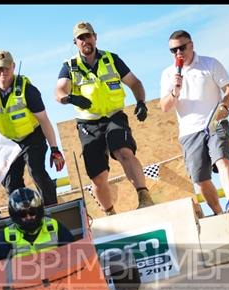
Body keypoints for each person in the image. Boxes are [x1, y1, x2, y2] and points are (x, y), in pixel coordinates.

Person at [55, 21, 154, 216]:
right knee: (98, 177)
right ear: (75, 42)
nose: (85, 40)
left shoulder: (111, 59)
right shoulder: (69, 67)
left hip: (114, 116)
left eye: (88, 36)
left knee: (125, 152)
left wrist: (141, 102)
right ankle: (110, 213)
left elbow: (135, 83)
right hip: (88, 123)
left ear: (95, 37)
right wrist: (71, 98)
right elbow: (59, 91)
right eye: (81, 38)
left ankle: (144, 197)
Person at [159, 30, 229, 216]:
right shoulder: (168, 74)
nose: (178, 53)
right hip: (189, 131)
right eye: (173, 50)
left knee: (222, 158)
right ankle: (219, 213)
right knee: (200, 178)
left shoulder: (210, 63)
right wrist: (175, 91)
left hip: (214, 121)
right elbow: (164, 107)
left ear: (191, 45)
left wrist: (224, 105)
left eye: (182, 47)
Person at [0, 50, 65, 207]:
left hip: (32, 137)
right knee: (11, 183)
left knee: (36, 171)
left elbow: (44, 120)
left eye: (6, 68)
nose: (3, 72)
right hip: (8, 142)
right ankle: (24, 215)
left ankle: (52, 209)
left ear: (13, 66)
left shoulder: (28, 91)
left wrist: (55, 149)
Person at [0, 187, 74, 261]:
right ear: (15, 216)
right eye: (23, 214)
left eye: (32, 213)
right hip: (24, 275)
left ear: (39, 211)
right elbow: (1, 268)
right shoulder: (6, 236)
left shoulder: (54, 226)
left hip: (58, 274)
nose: (28, 217)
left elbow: (72, 253)